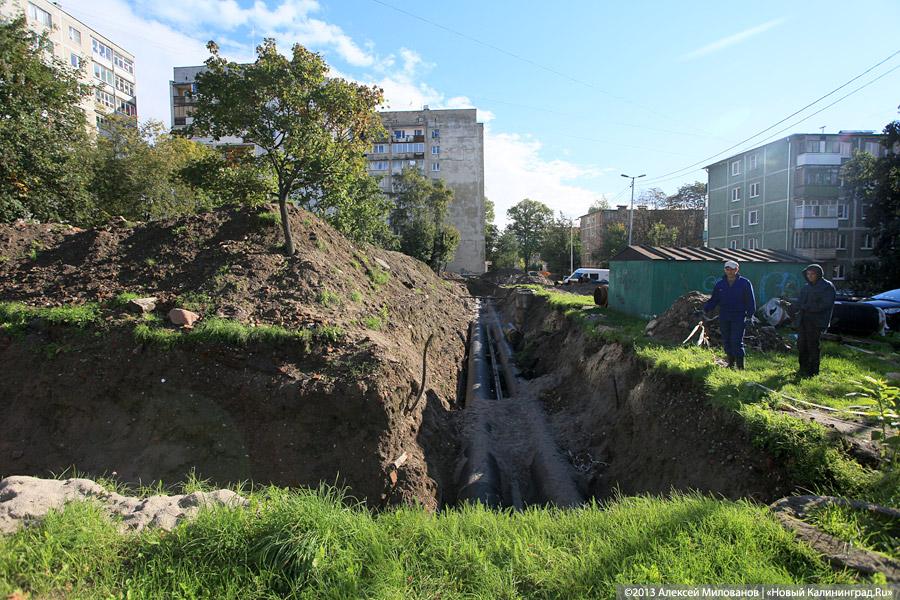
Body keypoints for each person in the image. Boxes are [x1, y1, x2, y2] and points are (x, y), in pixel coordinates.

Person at [703, 260, 756, 369]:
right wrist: (705, 309)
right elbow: (714, 300)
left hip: (739, 316)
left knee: (736, 341)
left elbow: (750, 301)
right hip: (724, 316)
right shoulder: (720, 284)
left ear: (737, 270)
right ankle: (731, 363)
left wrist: (750, 315)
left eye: (732, 269)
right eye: (727, 269)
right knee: (726, 340)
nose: (730, 271)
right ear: (725, 270)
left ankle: (740, 367)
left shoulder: (744, 283)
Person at [795, 264, 835, 378]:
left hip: (817, 321)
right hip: (804, 320)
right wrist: (792, 305)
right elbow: (800, 302)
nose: (810, 276)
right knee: (801, 344)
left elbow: (825, 304)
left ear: (818, 274)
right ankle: (803, 368)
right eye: (808, 274)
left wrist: (807, 307)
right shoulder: (806, 287)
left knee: (812, 345)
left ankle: (813, 371)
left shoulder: (826, 286)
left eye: (812, 274)